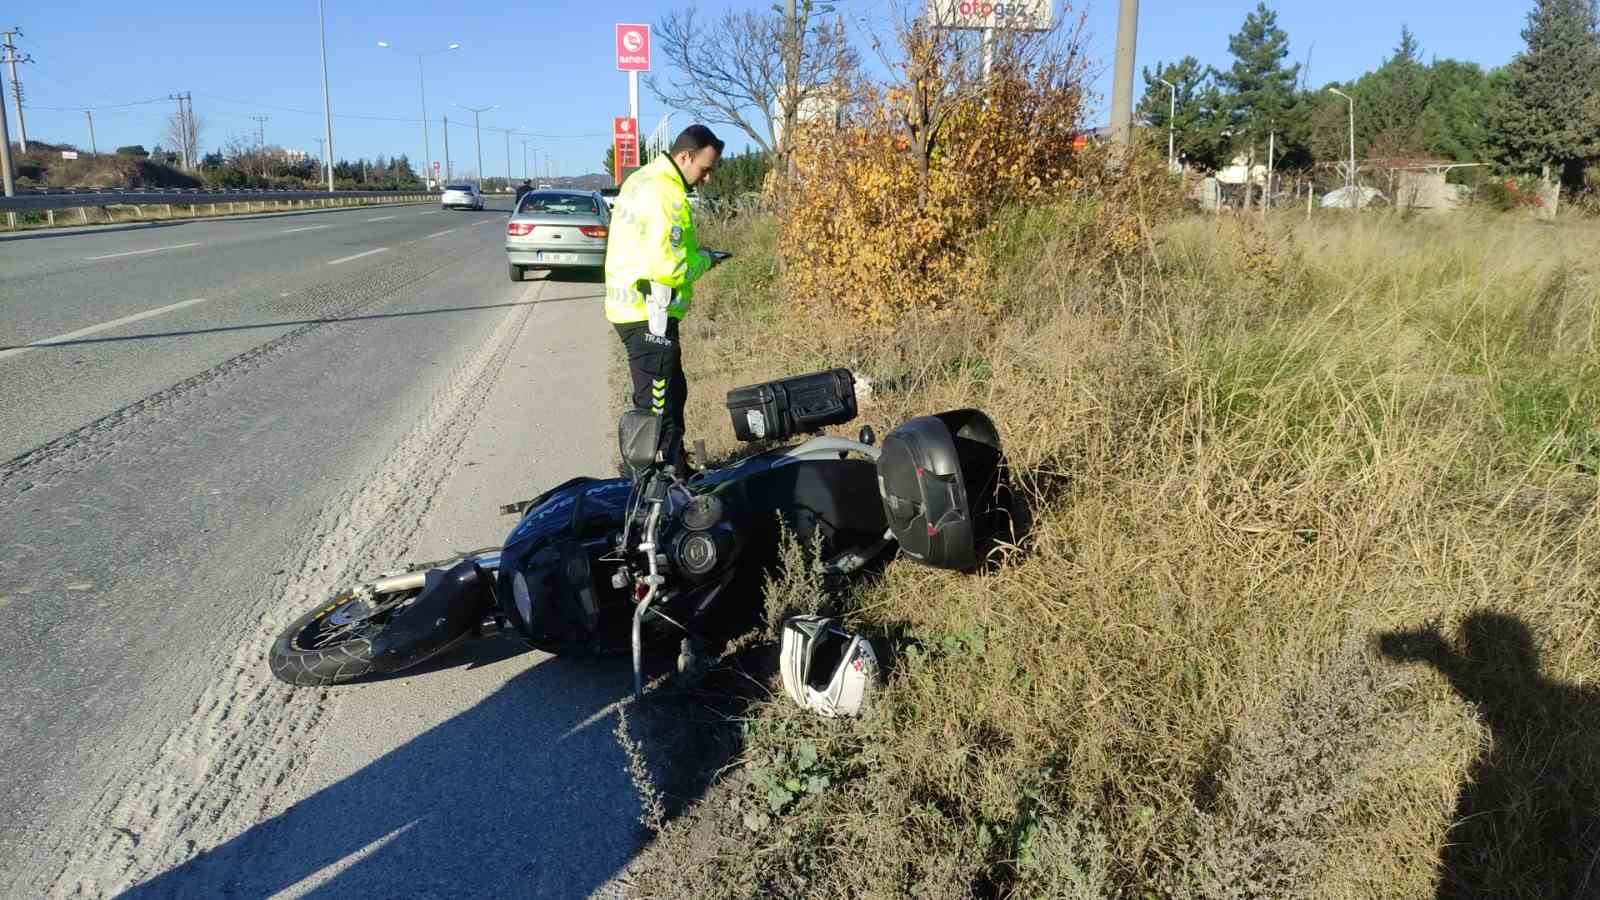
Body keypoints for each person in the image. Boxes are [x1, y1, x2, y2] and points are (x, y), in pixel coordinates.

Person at [604, 124, 724, 472]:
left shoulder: (642, 179)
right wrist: (706, 260)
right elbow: (669, 267)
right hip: (648, 313)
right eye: (705, 169)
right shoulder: (665, 192)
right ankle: (662, 485)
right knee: (661, 408)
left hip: (634, 308)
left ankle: (667, 470)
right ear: (685, 156)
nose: (706, 179)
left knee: (668, 392)